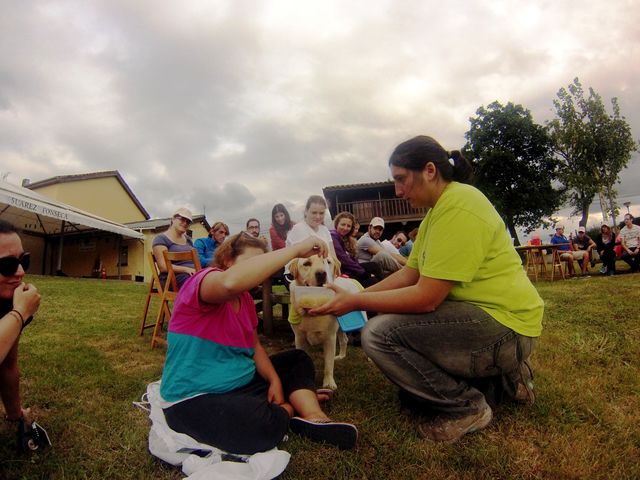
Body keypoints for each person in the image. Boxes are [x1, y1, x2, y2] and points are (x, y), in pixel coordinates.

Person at [312, 135, 543, 443]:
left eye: (401, 179)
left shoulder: (460, 206)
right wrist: (359, 296)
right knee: (412, 397)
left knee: (379, 334)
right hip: (493, 319)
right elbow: (411, 273)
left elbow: (426, 298)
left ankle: (467, 407)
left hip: (506, 325)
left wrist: (357, 302)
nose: (397, 190)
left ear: (430, 171)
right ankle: (505, 379)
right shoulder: (439, 210)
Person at [159, 233, 357, 453]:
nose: (259, 272)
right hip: (195, 396)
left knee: (297, 358)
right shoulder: (204, 281)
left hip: (241, 383)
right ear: (228, 261)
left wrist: (275, 381)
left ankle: (313, 415)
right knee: (257, 426)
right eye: (253, 263)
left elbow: (254, 346)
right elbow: (229, 283)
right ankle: (290, 408)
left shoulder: (244, 300)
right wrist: (297, 249)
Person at [0, 220, 50, 452]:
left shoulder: (8, 302)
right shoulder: (17, 309)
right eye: (8, 264)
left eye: (23, 260)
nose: (21, 272)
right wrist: (19, 313)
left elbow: (7, 364)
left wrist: (14, 414)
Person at [330, 212, 382, 287]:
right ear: (337, 224)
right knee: (373, 281)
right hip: (343, 272)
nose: (345, 228)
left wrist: (362, 271)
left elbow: (353, 260)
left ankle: (384, 287)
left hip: (350, 270)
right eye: (343, 224)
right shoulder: (333, 236)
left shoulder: (346, 239)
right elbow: (344, 260)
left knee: (374, 266)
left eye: (348, 226)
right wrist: (363, 273)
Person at [152, 208, 197, 289]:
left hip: (192, 274)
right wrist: (186, 269)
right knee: (198, 283)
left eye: (188, 221)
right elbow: (163, 267)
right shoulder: (161, 239)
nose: (185, 223)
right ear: (173, 219)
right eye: (182, 219)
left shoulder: (189, 240)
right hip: (171, 278)